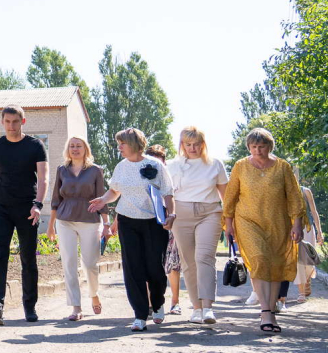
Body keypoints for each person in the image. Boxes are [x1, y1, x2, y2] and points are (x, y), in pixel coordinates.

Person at [88, 128, 176, 331]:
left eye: (123, 143)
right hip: (128, 221)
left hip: (154, 222)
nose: (119, 147)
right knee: (133, 268)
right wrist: (103, 199)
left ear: (135, 144)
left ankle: (158, 302)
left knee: (154, 267)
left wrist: (171, 214)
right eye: (118, 143)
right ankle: (140, 314)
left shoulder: (155, 165)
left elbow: (168, 193)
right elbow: (114, 191)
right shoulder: (121, 166)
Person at [223, 128, 303, 334]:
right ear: (249, 147)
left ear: (270, 146)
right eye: (254, 147)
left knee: (275, 265)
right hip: (248, 221)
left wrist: (297, 223)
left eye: (262, 146)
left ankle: (272, 311)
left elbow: (294, 196)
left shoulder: (283, 167)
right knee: (259, 260)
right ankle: (265, 310)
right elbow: (230, 196)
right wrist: (229, 224)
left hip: (278, 222)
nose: (258, 150)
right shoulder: (241, 166)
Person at [0, 104, 48, 325]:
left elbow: (43, 178)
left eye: (15, 121)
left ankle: (29, 307)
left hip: (27, 210)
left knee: (28, 258)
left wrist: (38, 204)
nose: (11, 126)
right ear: (2, 122)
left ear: (23, 122)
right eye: (7, 121)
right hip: (2, 209)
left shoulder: (35, 146)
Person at [166, 127, 229, 325]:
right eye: (188, 144)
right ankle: (196, 308)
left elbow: (225, 196)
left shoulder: (215, 164)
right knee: (188, 262)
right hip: (181, 215)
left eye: (196, 144)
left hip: (210, 213)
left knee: (204, 258)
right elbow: (165, 194)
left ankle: (208, 308)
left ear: (203, 144)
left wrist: (230, 220)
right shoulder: (172, 165)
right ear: (182, 145)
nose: (192, 148)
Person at [46, 137, 108, 321]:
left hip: (89, 219)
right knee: (69, 263)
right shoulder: (61, 170)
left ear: (85, 149)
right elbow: (56, 199)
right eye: (72, 146)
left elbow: (101, 198)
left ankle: (94, 293)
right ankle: (76, 306)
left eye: (78, 146)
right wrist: (51, 225)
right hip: (65, 220)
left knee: (90, 264)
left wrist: (106, 224)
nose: (75, 149)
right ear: (68, 149)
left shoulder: (96, 170)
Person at [146, 144, 182, 314]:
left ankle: (175, 302)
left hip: (170, 222)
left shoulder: (170, 174)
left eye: (159, 161)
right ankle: (150, 302)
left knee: (173, 263)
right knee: (150, 262)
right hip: (149, 222)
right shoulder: (144, 174)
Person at [278, 185, 325, 308]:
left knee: (308, 260)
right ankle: (301, 292)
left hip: (308, 229)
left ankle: (307, 279)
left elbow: (314, 212)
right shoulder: (281, 191)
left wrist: (319, 231)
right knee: (298, 260)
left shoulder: (306, 191)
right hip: (292, 230)